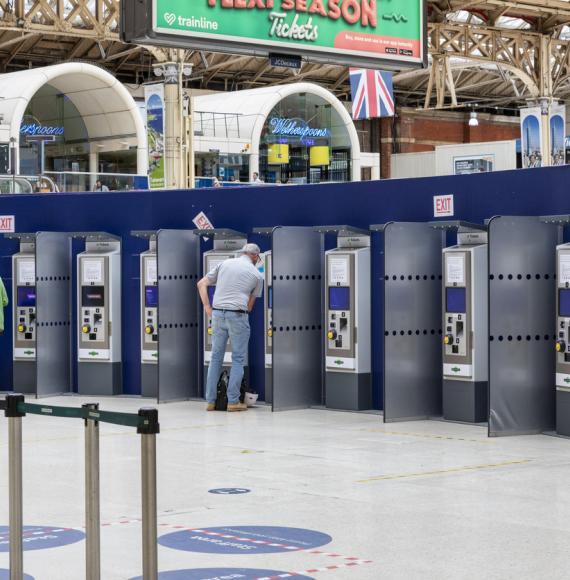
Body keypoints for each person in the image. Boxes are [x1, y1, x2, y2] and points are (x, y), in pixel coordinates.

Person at [197, 243, 264, 412]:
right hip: (238, 315)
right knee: (238, 359)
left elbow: (201, 284)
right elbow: (249, 307)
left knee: (215, 357)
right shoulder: (257, 275)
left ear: (242, 253)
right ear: (255, 257)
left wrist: (207, 307)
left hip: (217, 314)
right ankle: (233, 401)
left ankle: (211, 401)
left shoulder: (225, 263)